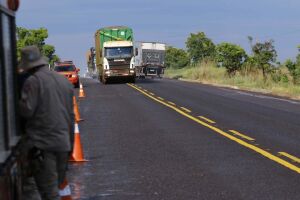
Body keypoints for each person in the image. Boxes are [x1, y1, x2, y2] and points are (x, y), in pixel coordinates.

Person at [19, 45, 74, 200]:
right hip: (63, 144)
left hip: (43, 146)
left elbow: (26, 111)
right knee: (57, 186)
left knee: (49, 193)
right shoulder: (63, 82)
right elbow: (70, 117)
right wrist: (70, 146)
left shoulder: (33, 82)